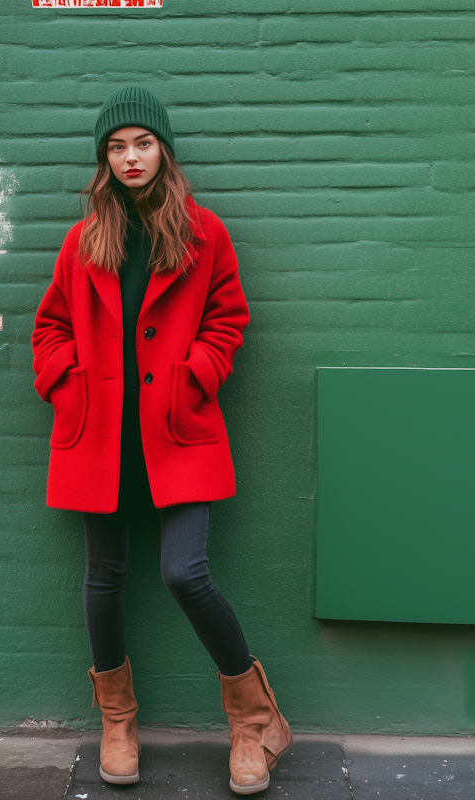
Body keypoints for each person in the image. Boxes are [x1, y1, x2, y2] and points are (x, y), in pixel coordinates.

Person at [31, 86, 292, 795]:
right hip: (100, 439)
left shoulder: (205, 233)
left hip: (178, 432)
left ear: (163, 150)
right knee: (105, 580)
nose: (129, 157)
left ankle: (254, 721)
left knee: (185, 573)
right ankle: (117, 720)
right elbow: (48, 328)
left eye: (141, 143)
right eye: (116, 148)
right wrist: (69, 382)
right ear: (104, 161)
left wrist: (195, 375)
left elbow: (229, 319)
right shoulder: (84, 239)